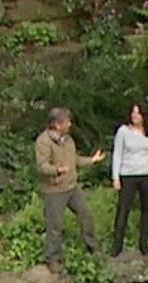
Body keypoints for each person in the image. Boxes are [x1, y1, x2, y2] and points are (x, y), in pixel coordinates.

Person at [33, 107, 105, 271]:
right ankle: (53, 259)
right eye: (67, 122)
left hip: (72, 187)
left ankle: (93, 248)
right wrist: (57, 170)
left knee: (86, 215)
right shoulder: (43, 142)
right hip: (54, 190)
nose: (70, 124)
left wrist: (92, 160)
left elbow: (75, 159)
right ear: (58, 125)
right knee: (55, 226)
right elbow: (42, 166)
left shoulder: (68, 140)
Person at [110, 101, 148, 256]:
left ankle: (143, 243)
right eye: (133, 112)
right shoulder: (123, 131)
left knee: (147, 209)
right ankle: (117, 245)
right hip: (128, 175)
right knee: (123, 209)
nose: (135, 116)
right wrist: (116, 176)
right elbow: (117, 154)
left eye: (138, 113)